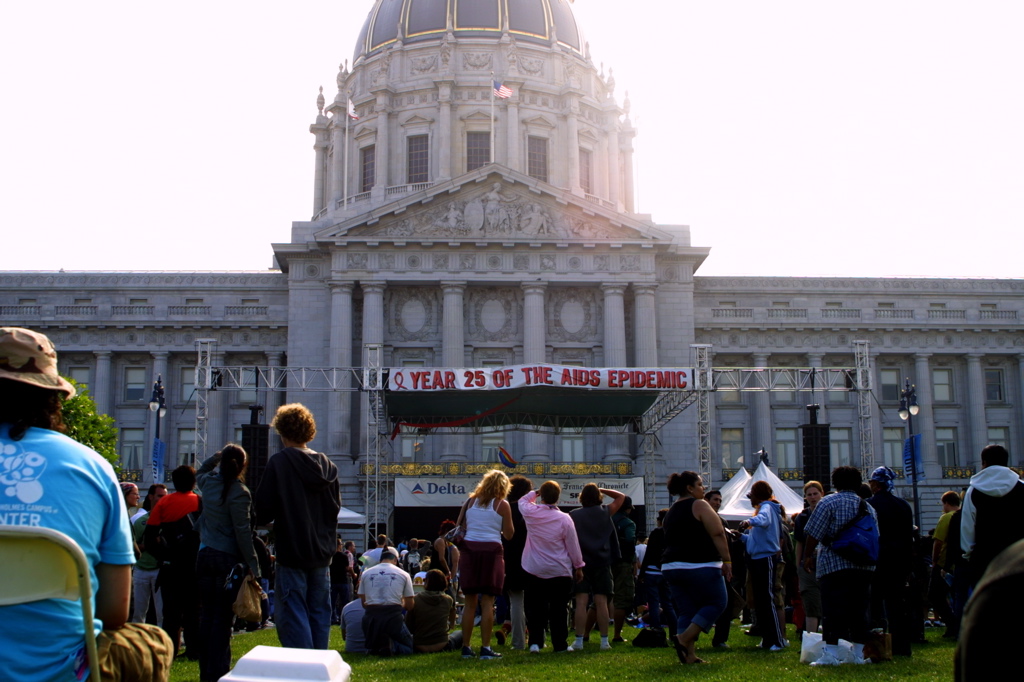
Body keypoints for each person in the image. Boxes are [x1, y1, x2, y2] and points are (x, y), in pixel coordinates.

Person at [0, 327, 173, 681]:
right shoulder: (91, 468)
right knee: (150, 642)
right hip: (64, 671)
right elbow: (114, 611)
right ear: (54, 397)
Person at [254, 403, 341, 650]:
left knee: (292, 612)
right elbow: (335, 509)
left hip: (292, 549)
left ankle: (302, 666)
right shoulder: (328, 466)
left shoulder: (280, 462)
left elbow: (263, 510)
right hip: (322, 552)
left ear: (282, 432)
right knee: (319, 612)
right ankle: (319, 663)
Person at [194, 444, 261, 682]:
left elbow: (201, 470)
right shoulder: (240, 492)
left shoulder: (208, 484)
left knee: (207, 615)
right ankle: (219, 670)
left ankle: (206, 671)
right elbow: (242, 531)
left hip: (204, 556)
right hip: (227, 559)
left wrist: (217, 455)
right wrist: (253, 564)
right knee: (223, 618)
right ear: (243, 466)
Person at [802, 466, 877, 666]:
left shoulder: (828, 502)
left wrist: (807, 556)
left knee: (832, 610)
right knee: (860, 610)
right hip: (863, 566)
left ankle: (831, 653)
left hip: (834, 563)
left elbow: (814, 532)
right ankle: (858, 654)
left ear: (835, 483)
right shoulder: (867, 507)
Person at [661, 471, 733, 665]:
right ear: (690, 488)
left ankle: (689, 655)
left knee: (687, 611)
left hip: (671, 566)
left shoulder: (671, 511)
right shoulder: (699, 504)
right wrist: (727, 561)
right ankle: (683, 639)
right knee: (717, 602)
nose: (703, 488)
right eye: (700, 485)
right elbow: (718, 533)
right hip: (699, 564)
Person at [518, 480, 585, 654]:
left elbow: (522, 501)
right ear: (558, 497)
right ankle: (560, 644)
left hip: (534, 568)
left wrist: (535, 492)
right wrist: (578, 566)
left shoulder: (531, 513)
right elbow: (573, 545)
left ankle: (535, 642)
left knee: (535, 608)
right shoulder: (565, 519)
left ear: (542, 496)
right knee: (559, 609)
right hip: (559, 570)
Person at [455, 469, 514, 659]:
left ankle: (466, 647)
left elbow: (460, 525)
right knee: (488, 601)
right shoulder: (502, 505)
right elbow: (509, 534)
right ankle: (486, 648)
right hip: (492, 551)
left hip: (469, 550)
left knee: (470, 602)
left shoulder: (470, 502)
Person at [145, 464, 202, 659]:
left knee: (171, 612)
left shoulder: (164, 503)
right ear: (193, 482)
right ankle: (194, 649)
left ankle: (171, 649)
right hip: (194, 565)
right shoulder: (200, 502)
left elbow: (150, 537)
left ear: (174, 482)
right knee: (194, 610)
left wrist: (163, 556)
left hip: (171, 566)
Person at [866, 466, 915, 657]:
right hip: (899, 562)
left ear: (875, 484)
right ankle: (902, 647)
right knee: (898, 606)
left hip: (877, 561)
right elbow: (908, 537)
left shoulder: (870, 505)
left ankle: (878, 647)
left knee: (875, 606)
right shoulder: (903, 505)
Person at [569, 483, 625, 651]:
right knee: (602, 602)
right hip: (602, 561)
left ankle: (579, 640)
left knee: (581, 602)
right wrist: (601, 489)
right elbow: (621, 496)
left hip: (581, 563)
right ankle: (604, 641)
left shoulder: (573, 515)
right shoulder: (605, 512)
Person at [960, 444, 1024, 586]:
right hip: (1018, 558)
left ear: (984, 462)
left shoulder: (973, 490)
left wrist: (968, 555)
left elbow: (967, 528)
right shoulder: (1021, 487)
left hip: (984, 560)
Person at [738, 479, 786, 651]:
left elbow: (763, 519)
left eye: (751, 496)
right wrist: (741, 537)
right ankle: (768, 639)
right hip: (758, 558)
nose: (750, 500)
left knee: (767, 599)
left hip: (765, 558)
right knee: (761, 601)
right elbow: (756, 539)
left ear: (757, 495)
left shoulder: (767, 507)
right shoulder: (767, 509)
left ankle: (777, 641)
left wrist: (748, 522)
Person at [358, 550, 415, 656]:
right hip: (393, 618)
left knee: (375, 647)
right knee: (409, 648)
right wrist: (401, 603)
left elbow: (364, 603)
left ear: (380, 560)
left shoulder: (366, 573)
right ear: (395, 560)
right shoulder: (404, 574)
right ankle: (391, 646)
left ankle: (378, 646)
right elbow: (410, 605)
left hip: (371, 619)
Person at [502, 474, 532, 650]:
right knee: (534, 601)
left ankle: (518, 642)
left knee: (516, 602)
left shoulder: (504, 510)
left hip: (511, 560)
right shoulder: (531, 511)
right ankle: (537, 639)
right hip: (532, 559)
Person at [131, 483, 168, 626]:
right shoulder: (140, 521)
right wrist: (151, 544)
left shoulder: (169, 520)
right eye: (159, 496)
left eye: (165, 496)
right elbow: (134, 546)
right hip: (141, 569)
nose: (163, 499)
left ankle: (161, 638)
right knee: (138, 612)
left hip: (160, 570)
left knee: (162, 613)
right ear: (151, 497)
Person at [638, 508, 677, 639]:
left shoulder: (656, 533)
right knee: (668, 604)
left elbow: (649, 554)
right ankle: (674, 633)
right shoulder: (673, 533)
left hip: (651, 571)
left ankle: (657, 630)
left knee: (653, 603)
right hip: (665, 571)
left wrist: (642, 574)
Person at [793, 480, 824, 636]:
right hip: (808, 565)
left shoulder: (828, 512)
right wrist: (798, 565)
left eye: (815, 494)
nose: (812, 497)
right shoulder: (802, 517)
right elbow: (799, 543)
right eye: (809, 495)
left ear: (821, 494)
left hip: (826, 563)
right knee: (810, 602)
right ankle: (811, 638)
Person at [406, 569, 463, 653]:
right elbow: (452, 622)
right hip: (442, 644)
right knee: (461, 633)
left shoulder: (416, 600)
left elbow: (408, 625)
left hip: (419, 645)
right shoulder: (448, 600)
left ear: (426, 582)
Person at [930, 491, 960, 634]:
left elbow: (938, 541)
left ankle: (952, 624)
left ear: (946, 503)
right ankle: (957, 625)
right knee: (957, 596)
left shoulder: (946, 517)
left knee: (934, 595)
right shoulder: (963, 516)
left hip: (944, 563)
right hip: (959, 562)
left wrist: (934, 560)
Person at [611, 496, 637, 642]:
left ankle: (586, 634)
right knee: (622, 599)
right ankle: (617, 635)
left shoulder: (607, 520)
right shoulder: (628, 523)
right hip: (623, 563)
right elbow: (630, 542)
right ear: (627, 509)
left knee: (600, 598)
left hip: (606, 561)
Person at [330, 538, 352, 624]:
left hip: (333, 581)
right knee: (345, 602)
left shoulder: (331, 556)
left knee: (332, 602)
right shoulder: (344, 556)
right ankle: (344, 618)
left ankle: (333, 618)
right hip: (343, 580)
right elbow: (347, 567)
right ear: (339, 545)